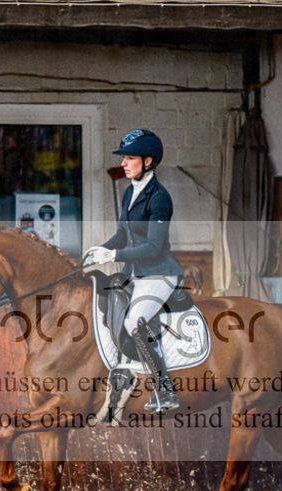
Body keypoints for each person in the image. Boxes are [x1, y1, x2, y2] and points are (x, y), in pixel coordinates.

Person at [83, 129, 183, 413]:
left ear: (148, 161)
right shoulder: (129, 191)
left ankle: (165, 391)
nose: (124, 163)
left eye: (130, 158)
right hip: (134, 271)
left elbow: (154, 246)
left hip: (159, 273)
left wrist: (113, 255)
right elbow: (121, 235)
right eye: (124, 158)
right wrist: (99, 250)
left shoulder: (159, 198)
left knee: (133, 321)